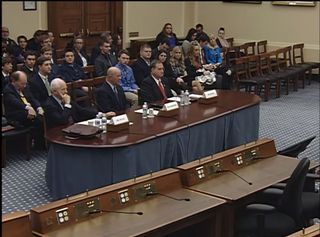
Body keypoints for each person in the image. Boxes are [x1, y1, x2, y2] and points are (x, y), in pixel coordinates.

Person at [3, 71, 45, 148]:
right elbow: (15, 103)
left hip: (27, 112)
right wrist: (27, 108)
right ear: (14, 81)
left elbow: (32, 98)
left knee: (43, 115)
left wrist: (39, 107)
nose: (25, 85)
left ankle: (40, 142)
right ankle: (38, 144)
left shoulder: (25, 87)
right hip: (15, 115)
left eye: (25, 83)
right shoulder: (8, 90)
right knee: (38, 119)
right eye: (22, 83)